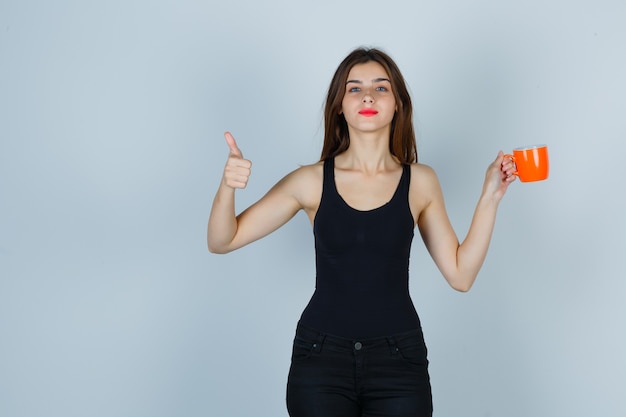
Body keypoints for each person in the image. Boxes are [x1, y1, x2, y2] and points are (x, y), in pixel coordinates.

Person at [207, 47, 516, 417]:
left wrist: (490, 196)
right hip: (321, 361)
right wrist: (227, 187)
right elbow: (222, 240)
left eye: (381, 88)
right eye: (354, 88)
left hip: (399, 362)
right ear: (339, 104)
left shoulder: (420, 182)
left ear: (398, 103)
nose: (368, 95)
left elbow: (461, 275)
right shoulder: (310, 181)